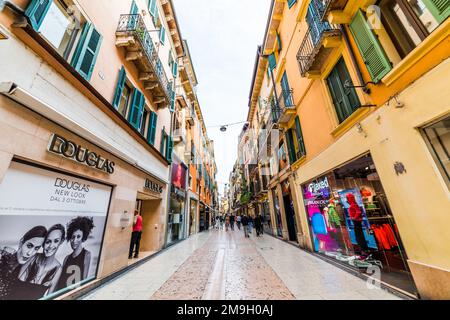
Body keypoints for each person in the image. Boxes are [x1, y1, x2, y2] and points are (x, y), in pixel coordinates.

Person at [0, 226, 47, 300]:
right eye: (29, 246)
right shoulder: (4, 257)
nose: (30, 253)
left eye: (36, 248)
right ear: (22, 242)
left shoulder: (31, 269)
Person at [25, 224, 65, 296]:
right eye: (48, 241)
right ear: (43, 243)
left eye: (56, 241)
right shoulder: (33, 257)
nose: (50, 246)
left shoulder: (58, 269)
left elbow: (50, 297)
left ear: (61, 242)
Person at [56, 216, 94, 291]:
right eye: (73, 237)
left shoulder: (86, 255)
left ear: (83, 238)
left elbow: (84, 280)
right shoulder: (66, 258)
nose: (74, 240)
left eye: (78, 236)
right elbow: (60, 281)